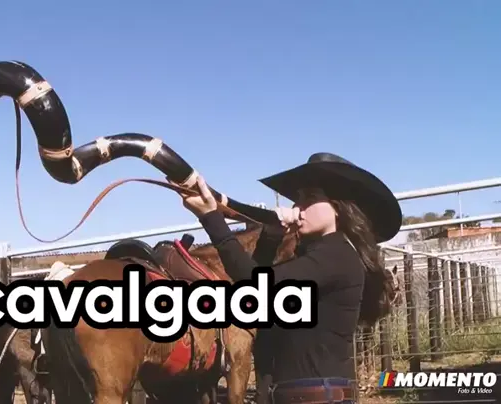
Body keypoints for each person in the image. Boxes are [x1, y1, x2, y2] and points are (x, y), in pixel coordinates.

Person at [171, 152, 402, 404]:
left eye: (309, 199)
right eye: (297, 199)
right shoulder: (317, 255)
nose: (297, 208)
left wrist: (211, 218)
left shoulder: (336, 256)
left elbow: (254, 283)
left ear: (338, 208)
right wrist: (271, 237)